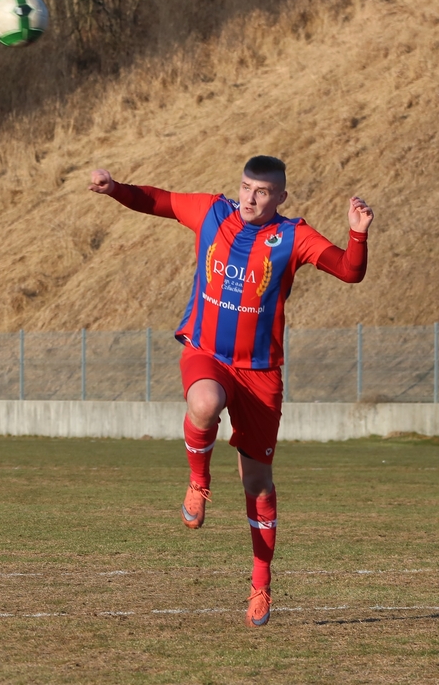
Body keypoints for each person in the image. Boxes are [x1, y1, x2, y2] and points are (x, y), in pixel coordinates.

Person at [88, 156, 373, 627]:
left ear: (281, 197)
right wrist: (115, 187)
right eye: (245, 187)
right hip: (207, 353)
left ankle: (260, 584)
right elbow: (158, 201)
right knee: (205, 402)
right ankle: (198, 481)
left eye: (261, 192)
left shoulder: (293, 236)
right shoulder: (212, 212)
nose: (250, 198)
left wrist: (357, 234)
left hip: (261, 374)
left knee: (257, 485)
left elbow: (348, 271)